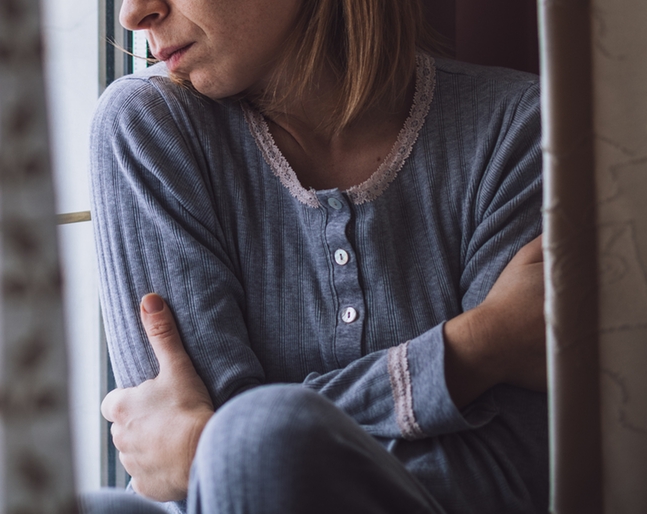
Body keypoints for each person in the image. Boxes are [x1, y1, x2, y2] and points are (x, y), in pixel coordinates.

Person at [84, 0, 547, 512]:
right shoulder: (148, 127)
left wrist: (200, 448)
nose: (132, 13)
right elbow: (212, 474)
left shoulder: (519, 130)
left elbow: (504, 473)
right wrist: (475, 348)